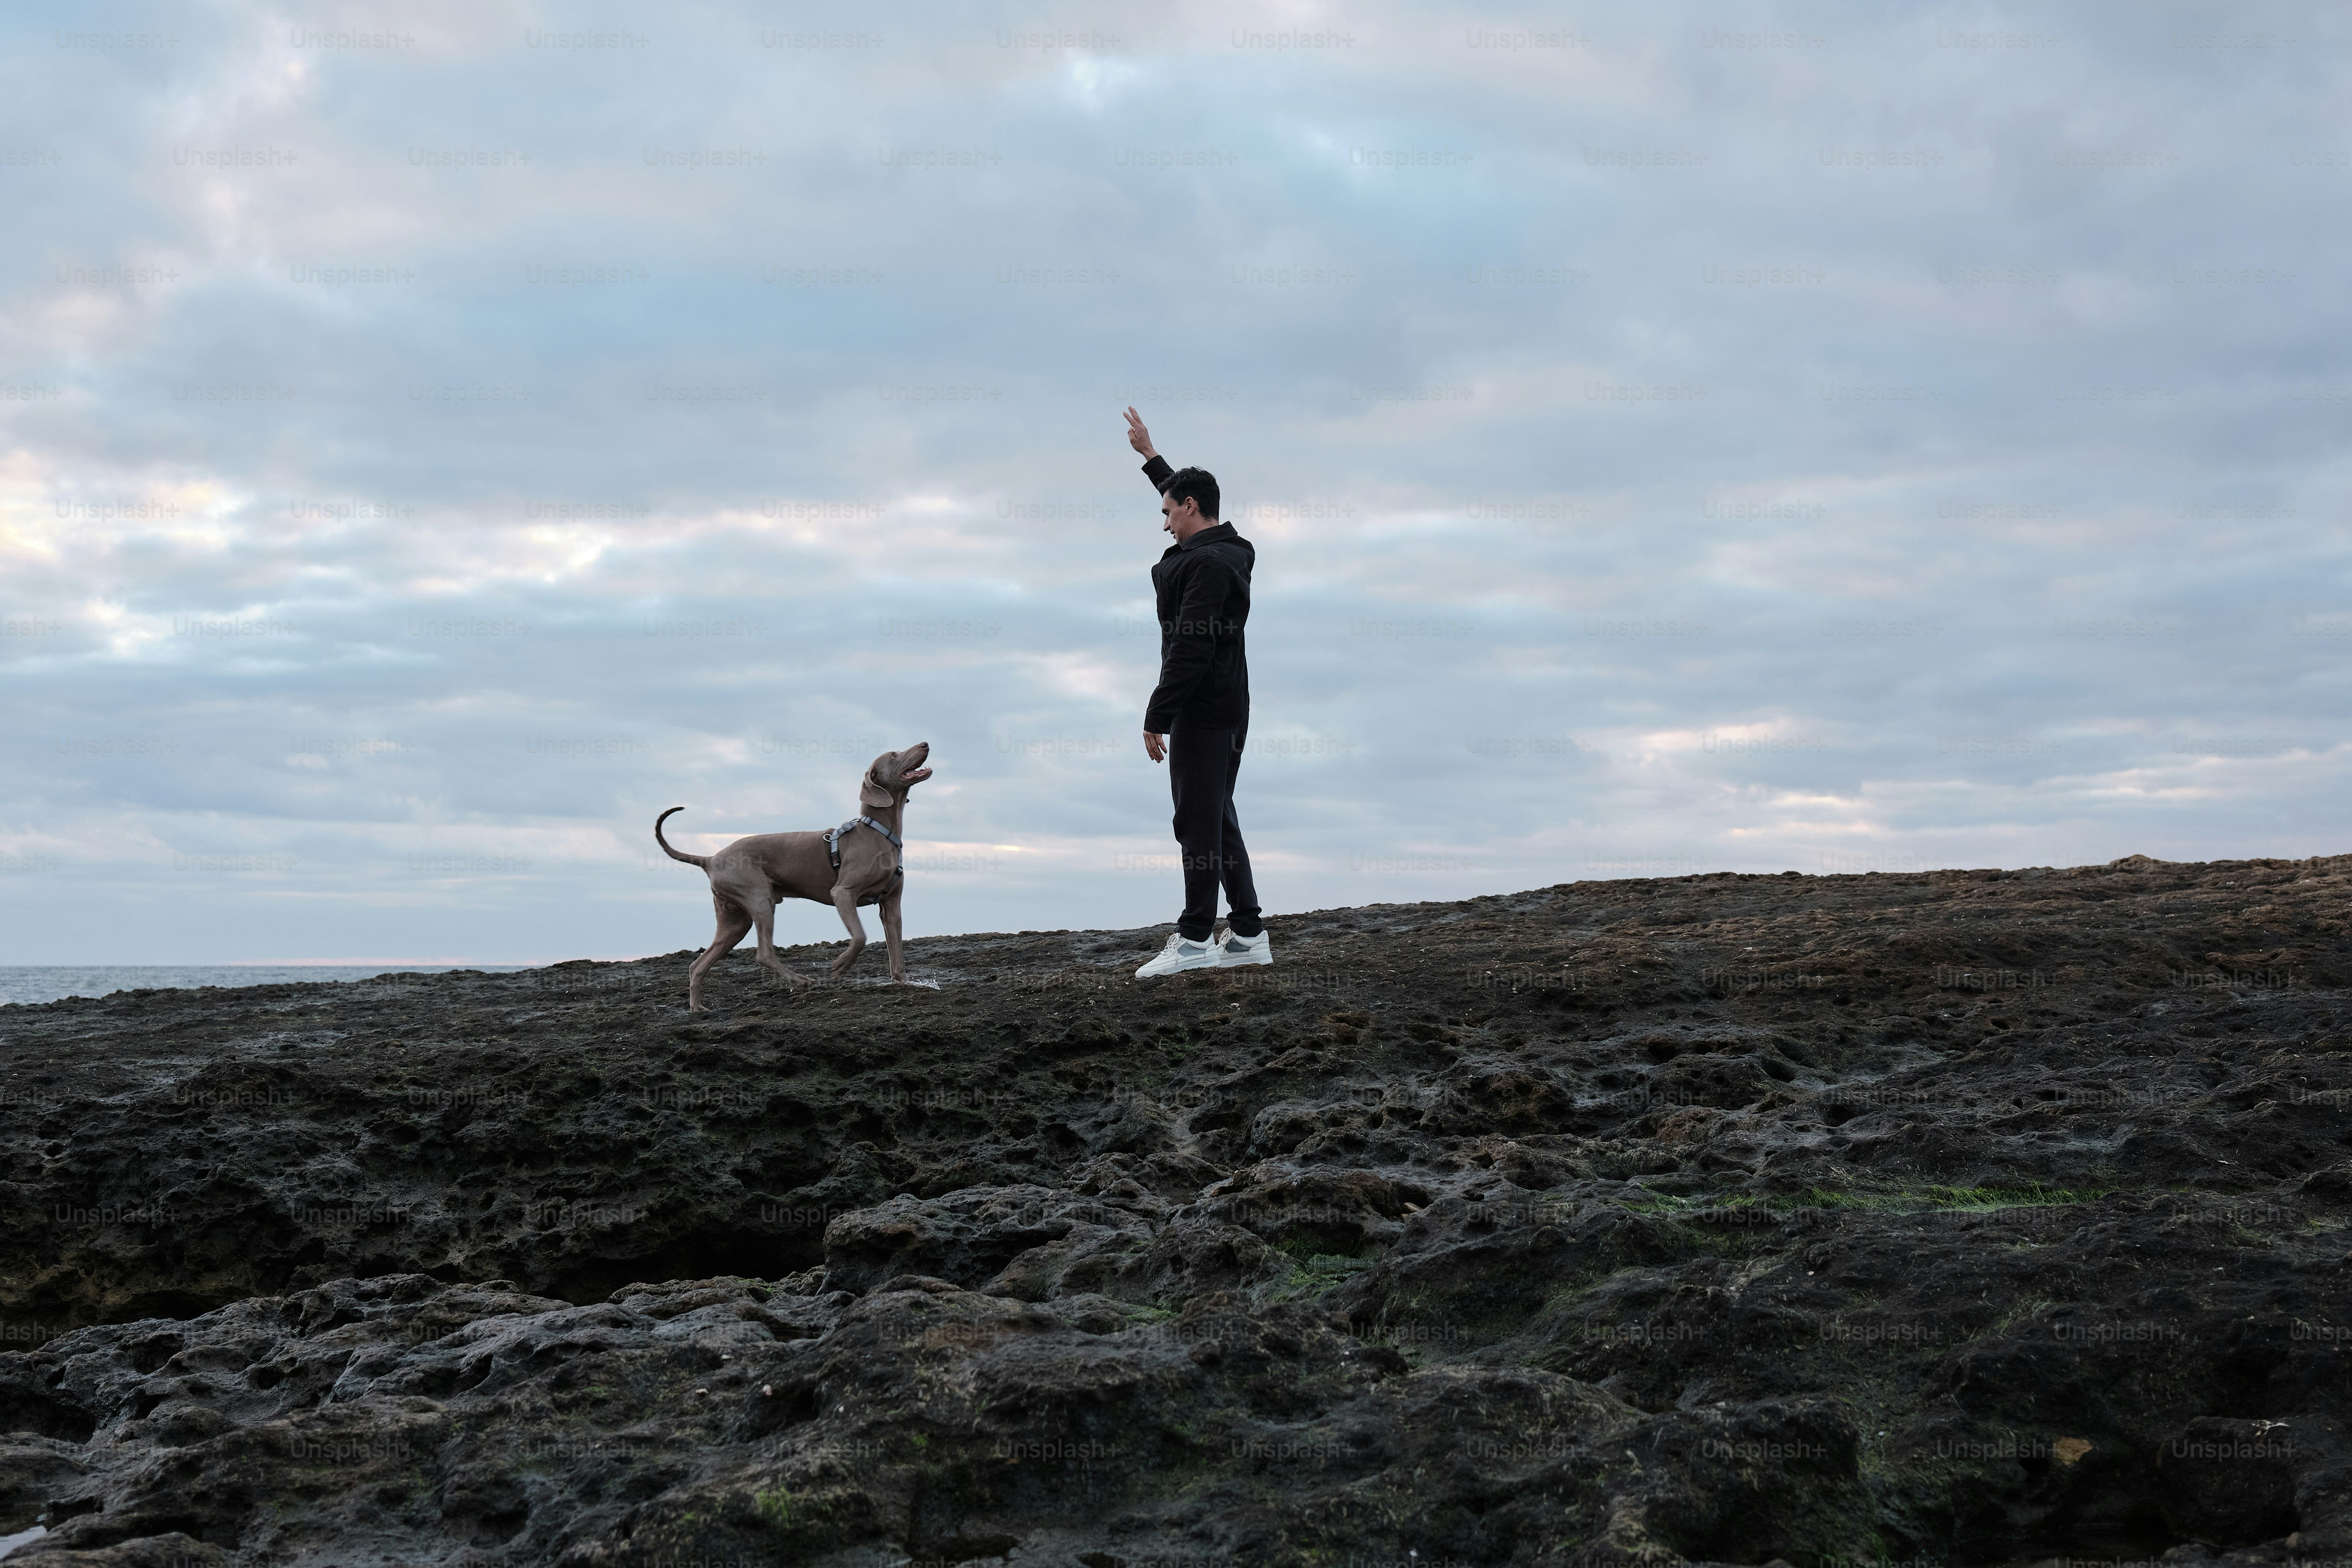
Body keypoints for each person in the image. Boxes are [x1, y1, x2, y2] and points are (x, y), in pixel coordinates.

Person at [1122, 407, 1272, 977]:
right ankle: (1248, 933)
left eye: (1168, 513)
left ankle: (1192, 940)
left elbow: (1191, 645)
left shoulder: (1207, 566)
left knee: (1196, 822)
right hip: (1230, 706)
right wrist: (1150, 457)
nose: (1164, 524)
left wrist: (1158, 714)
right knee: (1217, 816)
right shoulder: (1227, 550)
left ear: (1190, 509)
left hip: (1202, 709)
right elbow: (1182, 494)